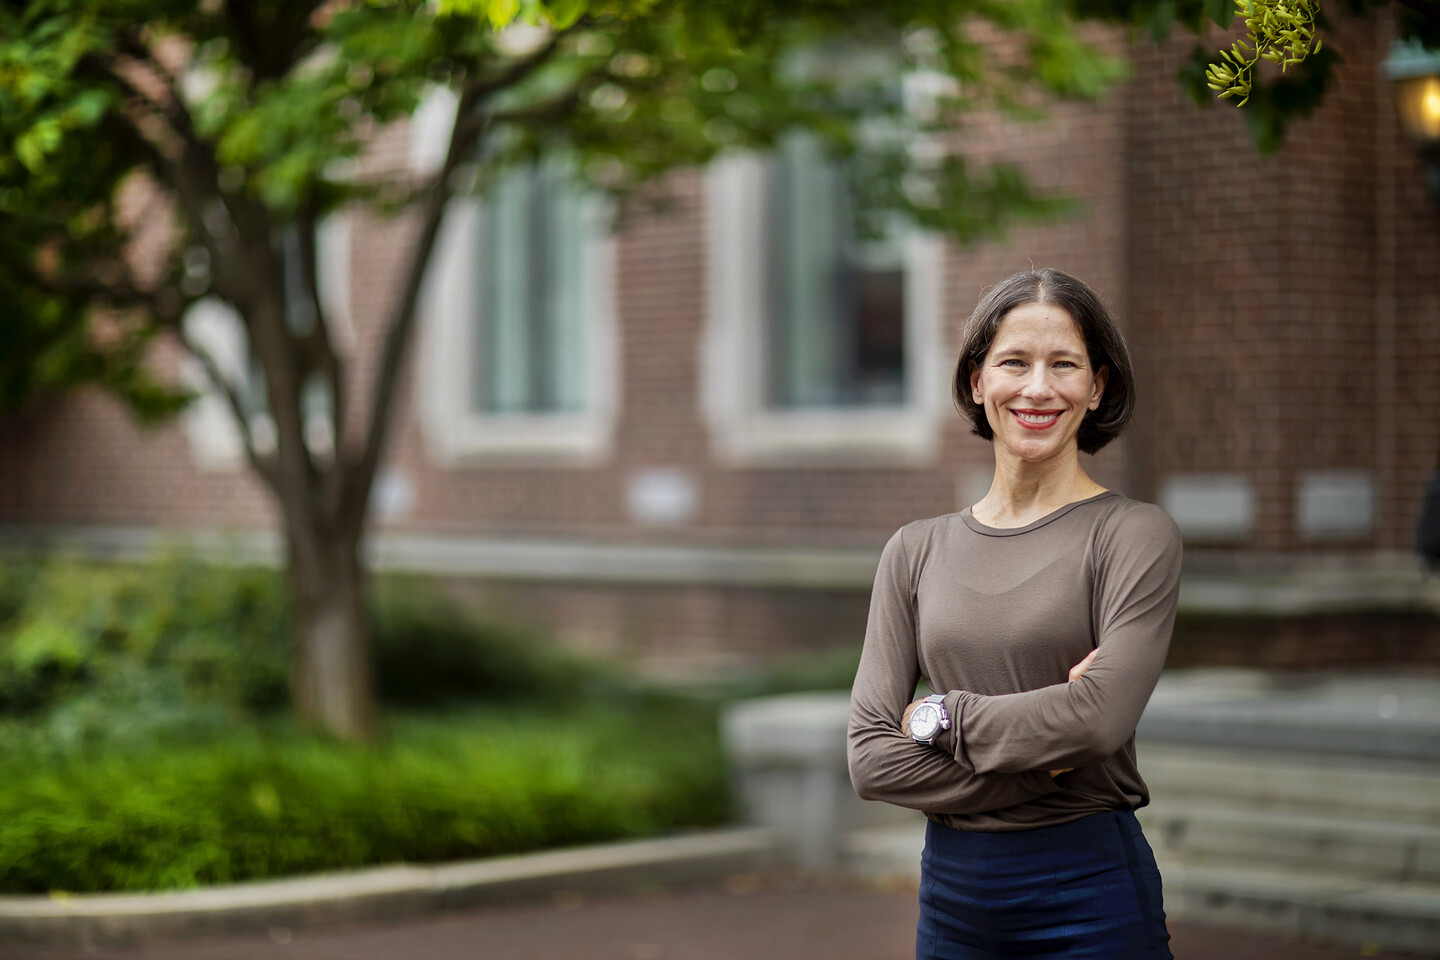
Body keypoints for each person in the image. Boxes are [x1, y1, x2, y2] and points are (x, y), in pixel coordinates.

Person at [847, 267, 1181, 959]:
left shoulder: (1132, 535)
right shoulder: (914, 550)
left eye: (1064, 364)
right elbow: (872, 762)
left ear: (1098, 386)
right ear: (977, 381)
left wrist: (939, 717)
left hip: (1088, 889)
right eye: (1013, 363)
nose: (1037, 388)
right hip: (951, 898)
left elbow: (1098, 722)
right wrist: (1049, 758)